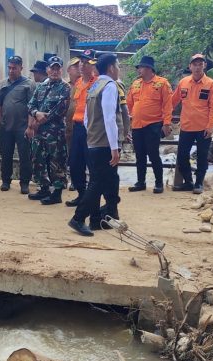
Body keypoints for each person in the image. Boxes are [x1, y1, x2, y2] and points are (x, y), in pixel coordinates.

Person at [68, 53, 124, 237]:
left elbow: (85, 118)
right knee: (97, 182)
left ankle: (98, 219)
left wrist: (91, 134)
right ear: (110, 68)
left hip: (92, 140)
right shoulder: (109, 86)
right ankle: (78, 218)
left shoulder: (94, 86)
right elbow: (110, 118)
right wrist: (114, 147)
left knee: (105, 180)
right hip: (104, 143)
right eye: (118, 66)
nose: (119, 69)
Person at [171, 54, 213, 194]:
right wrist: (165, 118)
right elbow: (173, 102)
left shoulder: (210, 84)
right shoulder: (183, 82)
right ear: (190, 66)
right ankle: (188, 182)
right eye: (195, 64)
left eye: (200, 64)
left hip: (204, 128)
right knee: (182, 155)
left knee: (202, 156)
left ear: (204, 66)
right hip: (186, 126)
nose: (197, 67)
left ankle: (199, 183)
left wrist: (211, 126)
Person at [27, 55, 71, 205]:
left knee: (57, 162)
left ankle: (57, 192)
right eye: (52, 68)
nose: (55, 71)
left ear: (61, 70)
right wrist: (36, 114)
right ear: (47, 70)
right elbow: (30, 105)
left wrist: (41, 120)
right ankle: (44, 188)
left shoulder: (65, 88)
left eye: (57, 68)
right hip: (39, 133)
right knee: (38, 159)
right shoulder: (41, 87)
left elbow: (60, 109)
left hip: (55, 133)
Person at [126, 55, 173, 194]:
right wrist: (127, 120)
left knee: (153, 155)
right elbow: (129, 104)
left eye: (140, 67)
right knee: (139, 155)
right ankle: (141, 182)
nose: (138, 70)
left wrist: (167, 123)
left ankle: (159, 183)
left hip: (153, 125)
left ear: (148, 68)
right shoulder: (135, 84)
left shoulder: (162, 83)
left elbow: (167, 105)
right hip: (137, 125)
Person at [0, 55, 35, 194]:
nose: (11, 71)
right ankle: (6, 180)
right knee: (5, 154)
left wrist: (30, 126)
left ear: (21, 68)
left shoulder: (28, 84)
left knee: (25, 155)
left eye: (15, 68)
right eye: (10, 67)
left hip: (22, 126)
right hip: (6, 126)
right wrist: (0, 120)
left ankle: (24, 183)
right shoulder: (2, 84)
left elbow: (32, 107)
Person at [67, 49, 98, 206]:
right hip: (77, 127)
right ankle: (81, 193)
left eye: (86, 62)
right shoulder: (78, 83)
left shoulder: (98, 83)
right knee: (74, 163)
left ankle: (92, 197)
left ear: (92, 65)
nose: (82, 65)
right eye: (81, 62)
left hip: (91, 128)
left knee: (91, 163)